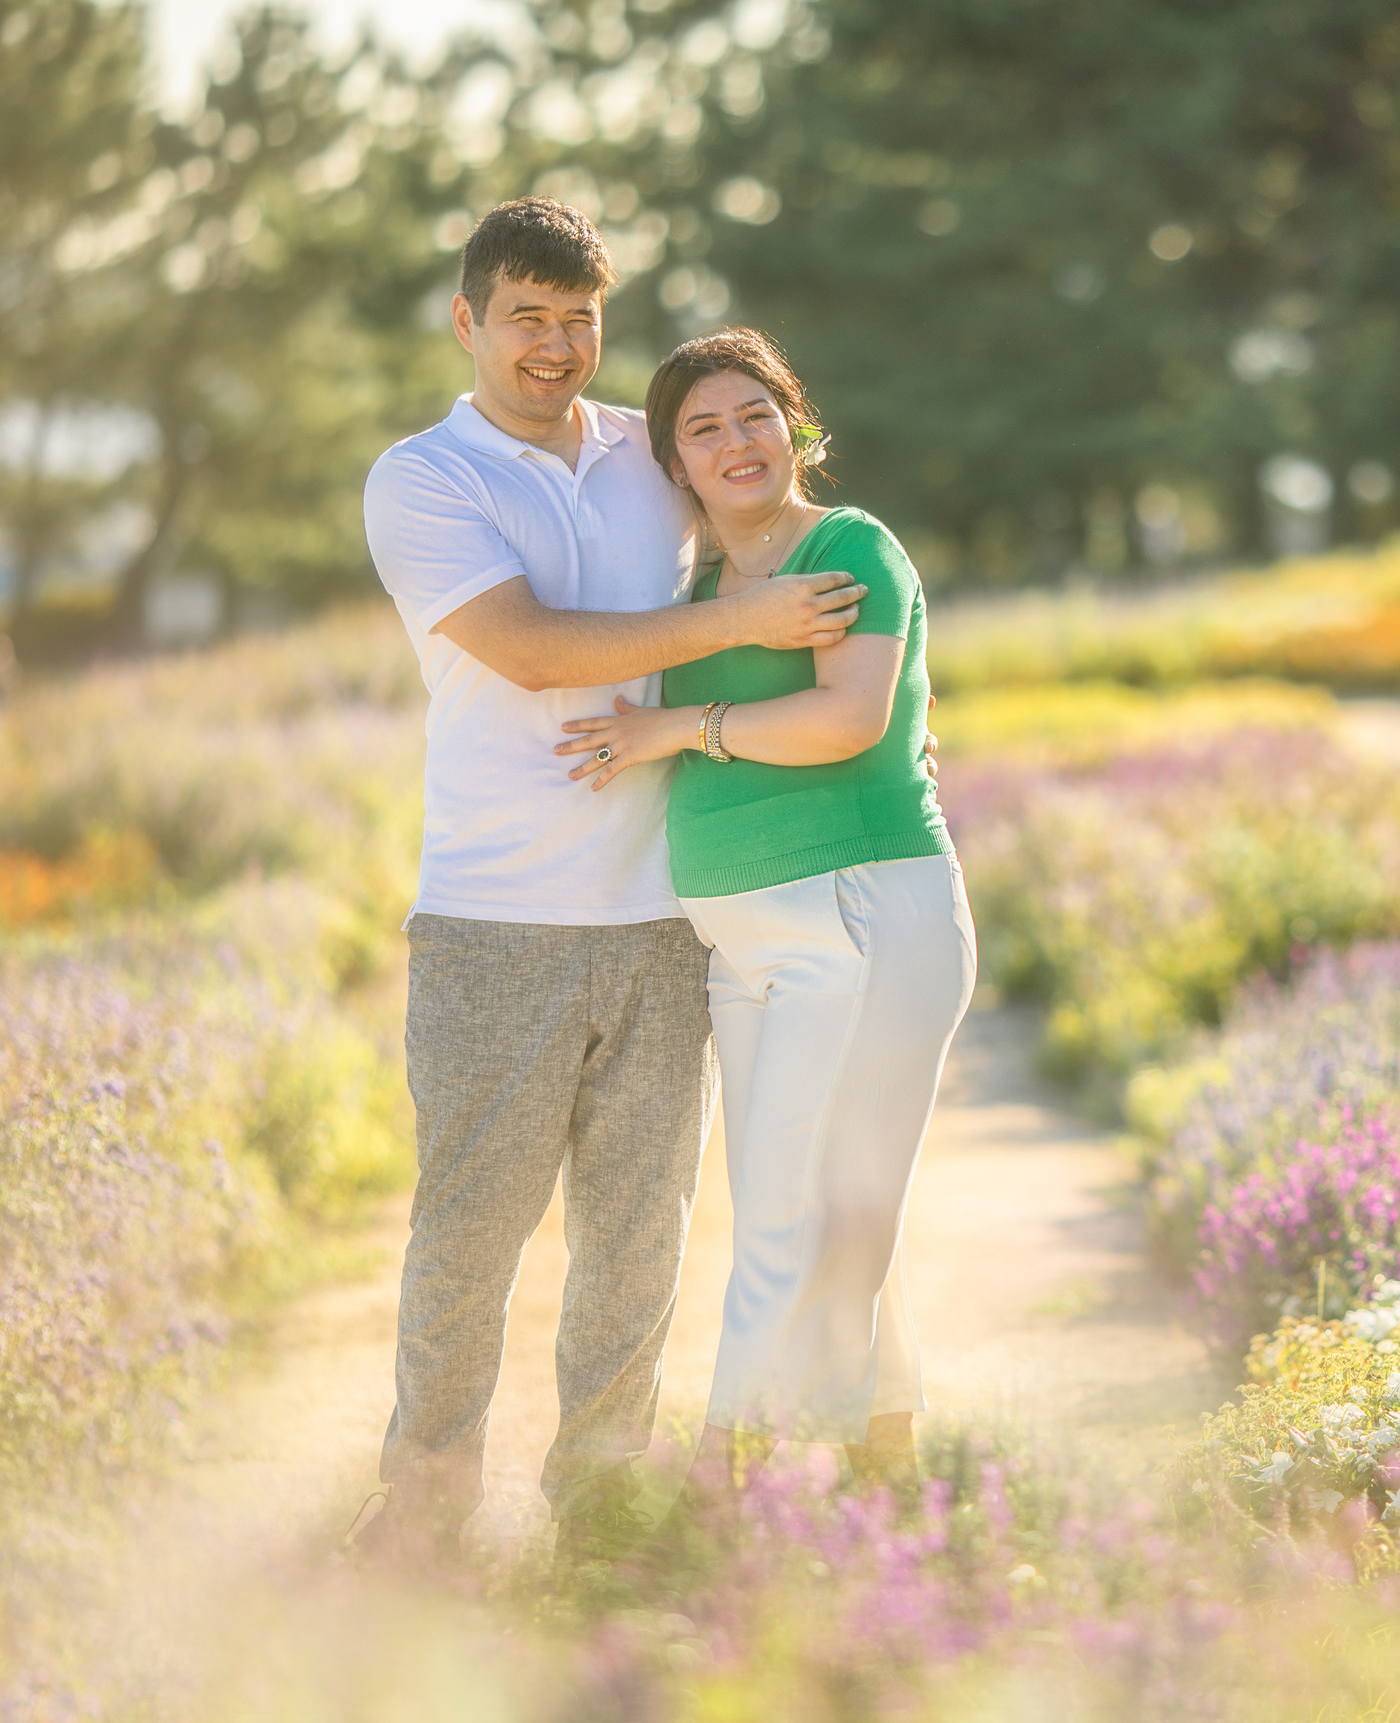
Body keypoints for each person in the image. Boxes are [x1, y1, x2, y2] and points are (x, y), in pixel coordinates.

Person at [354, 198, 871, 1563]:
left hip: (664, 911)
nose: (556, 343)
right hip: (492, 918)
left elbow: (781, 528)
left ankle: (599, 1507)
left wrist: (866, 685)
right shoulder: (422, 477)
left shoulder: (653, 455)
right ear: (468, 321)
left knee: (638, 1245)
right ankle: (422, 1513)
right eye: (527, 316)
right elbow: (526, 647)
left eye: (580, 318)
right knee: (470, 1238)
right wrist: (737, 620)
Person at [555, 326, 972, 1503]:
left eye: (755, 415)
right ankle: (886, 1457)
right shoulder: (692, 594)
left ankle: (730, 1472)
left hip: (862, 906)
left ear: (797, 427)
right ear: (675, 467)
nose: (735, 442)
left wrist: (682, 730)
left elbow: (846, 721)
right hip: (741, 938)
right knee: (822, 1191)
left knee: (797, 1203)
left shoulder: (848, 547)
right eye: (703, 428)